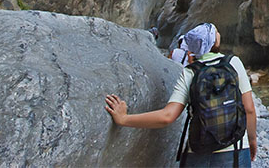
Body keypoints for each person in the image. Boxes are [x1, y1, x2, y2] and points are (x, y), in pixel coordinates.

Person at [105, 23, 258, 166]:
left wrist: (124, 119)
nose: (218, 33)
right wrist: (252, 140)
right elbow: (249, 109)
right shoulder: (233, 63)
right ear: (214, 42)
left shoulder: (190, 72)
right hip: (236, 149)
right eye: (216, 32)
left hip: (198, 152)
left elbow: (167, 116)